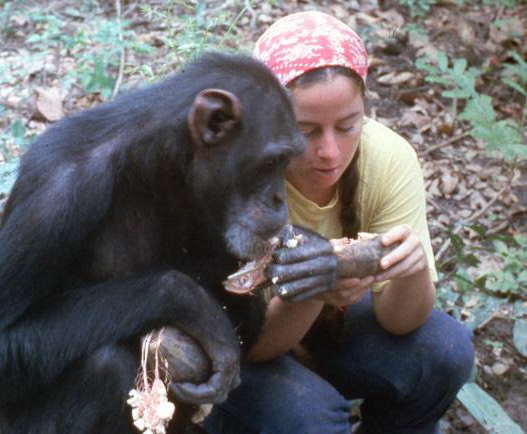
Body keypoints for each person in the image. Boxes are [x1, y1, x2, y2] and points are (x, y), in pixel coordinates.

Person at [202, 11, 474, 434]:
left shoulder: (386, 158)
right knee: (310, 417)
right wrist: (313, 289)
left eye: (348, 126)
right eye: (305, 130)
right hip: (239, 351)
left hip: (325, 329)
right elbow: (247, 348)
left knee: (447, 349)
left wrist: (412, 270)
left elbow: (400, 323)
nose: (330, 152)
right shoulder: (231, 179)